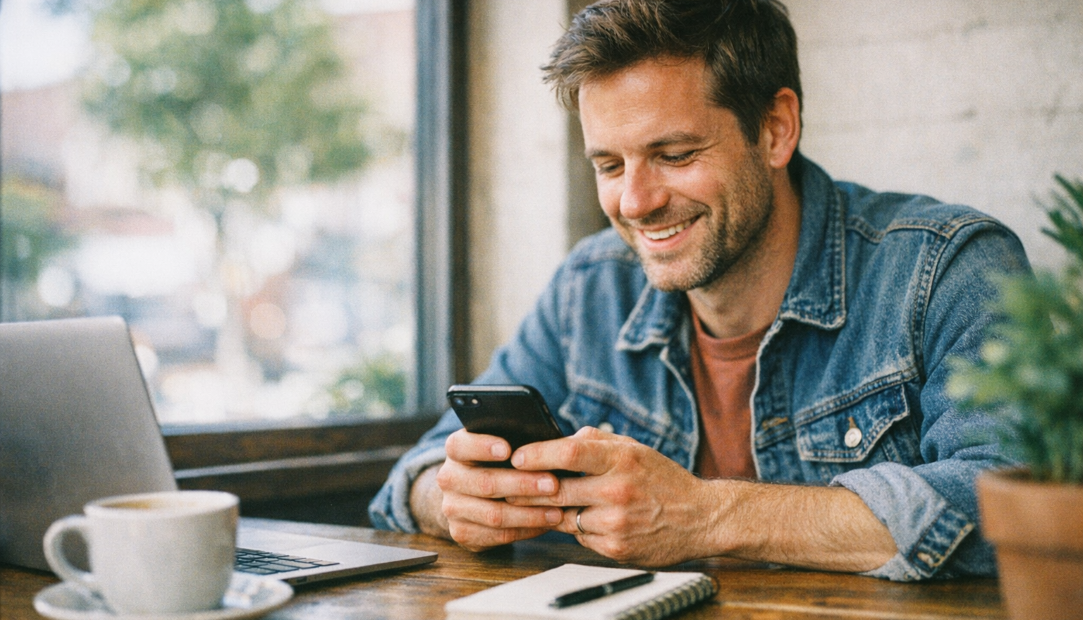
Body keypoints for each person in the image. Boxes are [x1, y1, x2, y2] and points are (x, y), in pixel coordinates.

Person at [369, 0, 1030, 581]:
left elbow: (1019, 510)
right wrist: (450, 497)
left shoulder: (947, 269)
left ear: (775, 129)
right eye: (608, 164)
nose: (635, 201)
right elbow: (420, 472)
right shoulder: (588, 287)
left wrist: (706, 516)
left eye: (675, 155)